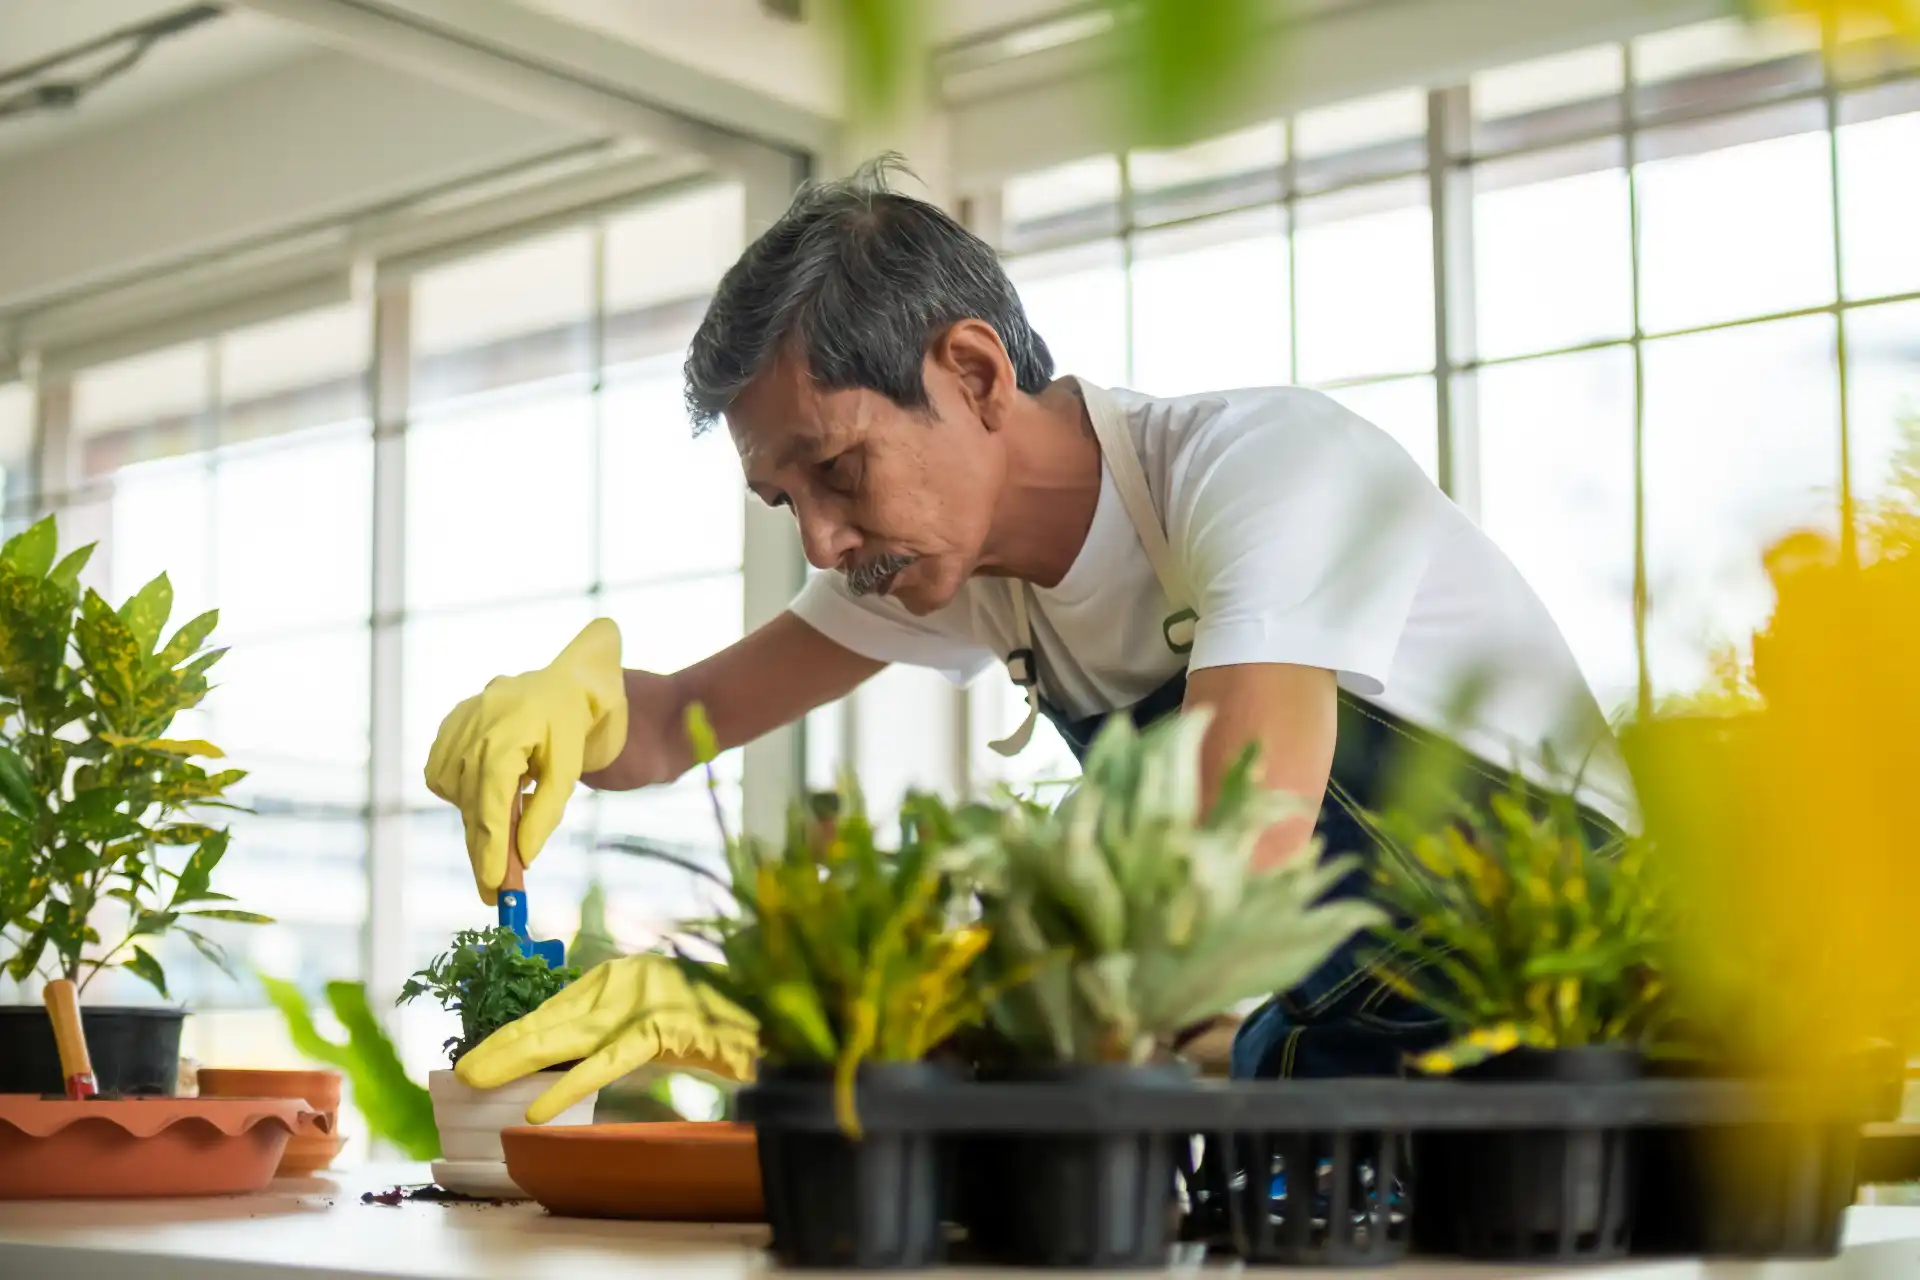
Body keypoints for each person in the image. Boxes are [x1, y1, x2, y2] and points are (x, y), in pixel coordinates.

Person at [430, 155, 1637, 1118]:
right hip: (1369, 1057)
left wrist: (822, 1002)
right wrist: (568, 703)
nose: (822, 541)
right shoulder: (953, 566)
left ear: (972, 368)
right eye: (785, 499)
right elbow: (672, 724)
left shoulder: (1258, 471)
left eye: (837, 469)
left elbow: (1238, 856)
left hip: (1614, 1048)